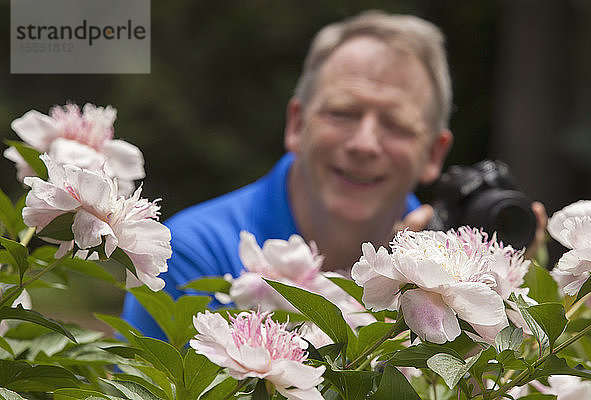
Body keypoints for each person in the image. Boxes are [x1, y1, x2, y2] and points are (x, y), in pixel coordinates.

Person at [121, 11, 546, 339]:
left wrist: (499, 311)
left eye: (396, 124)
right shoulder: (192, 253)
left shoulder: (457, 275)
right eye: (342, 113)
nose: (365, 143)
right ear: (296, 124)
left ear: (433, 154)